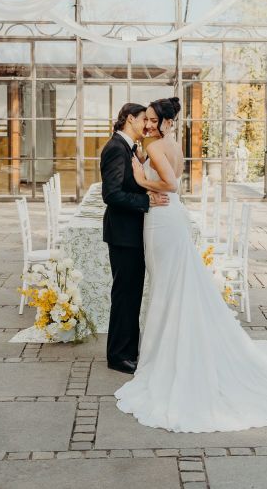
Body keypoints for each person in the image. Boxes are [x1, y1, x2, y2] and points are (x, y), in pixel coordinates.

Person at [114, 96, 267, 433]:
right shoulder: (167, 145)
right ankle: (175, 348)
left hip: (161, 220)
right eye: (147, 120)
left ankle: (170, 357)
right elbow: (174, 179)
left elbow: (170, 185)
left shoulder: (157, 146)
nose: (148, 125)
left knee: (167, 285)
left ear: (168, 123)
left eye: (154, 120)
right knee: (172, 284)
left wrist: (141, 181)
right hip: (168, 218)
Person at [100, 102, 169, 375]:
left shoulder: (127, 148)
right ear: (130, 119)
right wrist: (147, 199)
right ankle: (118, 356)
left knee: (130, 295)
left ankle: (128, 350)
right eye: (144, 120)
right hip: (123, 234)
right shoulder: (116, 149)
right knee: (125, 295)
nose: (148, 125)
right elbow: (112, 195)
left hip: (129, 232)